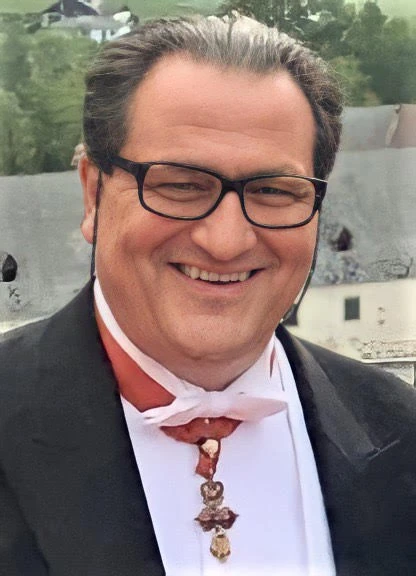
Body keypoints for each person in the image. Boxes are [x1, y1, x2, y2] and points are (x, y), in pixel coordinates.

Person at [0, 14, 415, 576]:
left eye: (273, 191)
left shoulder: (401, 430)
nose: (226, 241)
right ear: (94, 194)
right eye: (180, 184)